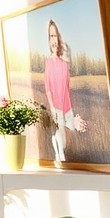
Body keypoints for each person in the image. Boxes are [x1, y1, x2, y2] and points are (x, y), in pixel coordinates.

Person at [43, 18, 85, 163]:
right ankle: (59, 154)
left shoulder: (64, 63)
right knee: (60, 131)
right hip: (56, 105)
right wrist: (52, 107)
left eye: (55, 36)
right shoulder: (49, 61)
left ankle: (59, 149)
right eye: (50, 37)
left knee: (70, 131)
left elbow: (67, 86)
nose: (53, 40)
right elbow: (48, 86)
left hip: (67, 105)